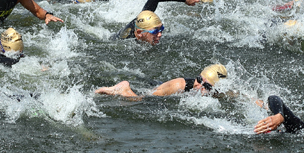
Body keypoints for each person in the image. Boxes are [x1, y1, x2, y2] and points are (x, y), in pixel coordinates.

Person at [96, 63, 228, 98]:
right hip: (161, 89)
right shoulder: (178, 86)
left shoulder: (212, 90)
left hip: (161, 84)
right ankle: (124, 88)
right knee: (141, 101)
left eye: (209, 88)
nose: (202, 88)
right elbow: (146, 98)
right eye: (200, 81)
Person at [116, 0, 201, 42]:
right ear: (139, 33)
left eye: (161, 29)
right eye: (155, 31)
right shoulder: (125, 42)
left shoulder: (145, 18)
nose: (160, 34)